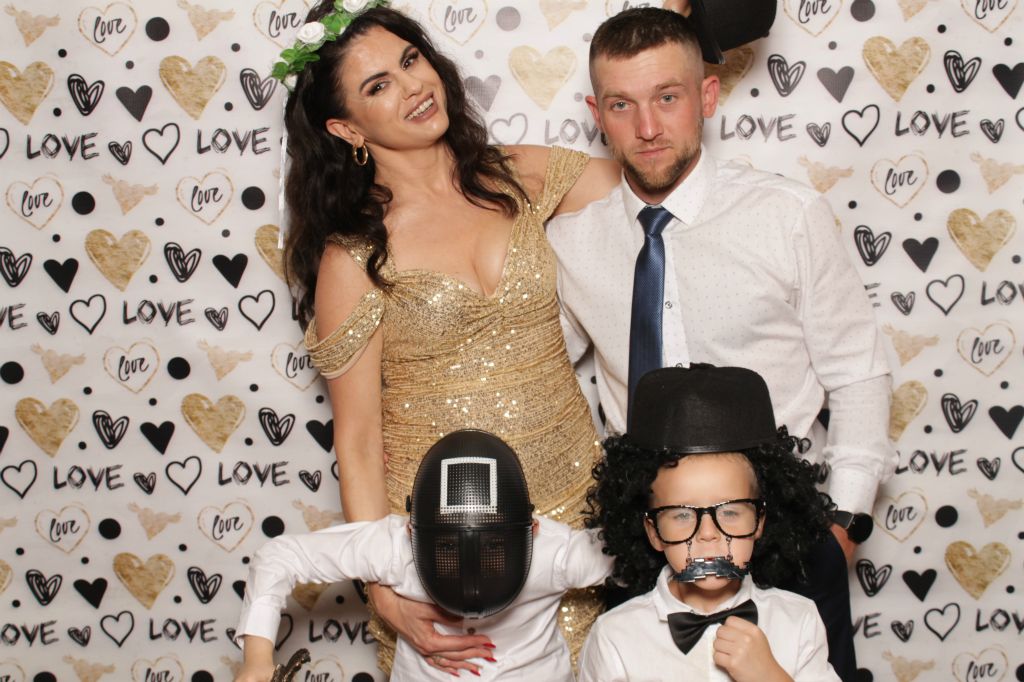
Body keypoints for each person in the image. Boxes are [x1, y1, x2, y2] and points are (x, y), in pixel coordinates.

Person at [274, 1, 622, 674]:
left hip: (580, 523)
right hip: (452, 553)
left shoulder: (517, 175)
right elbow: (358, 439)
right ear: (346, 127)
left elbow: (653, 181)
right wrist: (384, 593)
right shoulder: (354, 257)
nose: (413, 86)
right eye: (379, 85)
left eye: (411, 60)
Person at [546, 8, 893, 678]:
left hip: (783, 534)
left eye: (667, 98)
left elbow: (857, 372)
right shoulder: (571, 243)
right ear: (597, 114)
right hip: (649, 543)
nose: (647, 128)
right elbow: (530, 376)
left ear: (707, 96)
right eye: (622, 105)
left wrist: (844, 525)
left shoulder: (787, 217)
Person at [234, 431, 612, 681]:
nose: (469, 565)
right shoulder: (393, 548)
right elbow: (280, 556)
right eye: (446, 547)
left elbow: (634, 551)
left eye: (493, 546)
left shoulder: (556, 553)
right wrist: (256, 661)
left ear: (533, 531)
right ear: (411, 533)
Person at [579, 364, 839, 681]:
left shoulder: (799, 620)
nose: (708, 535)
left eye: (730, 512)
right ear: (653, 531)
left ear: (760, 520)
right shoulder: (614, 638)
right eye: (682, 514)